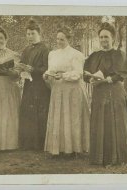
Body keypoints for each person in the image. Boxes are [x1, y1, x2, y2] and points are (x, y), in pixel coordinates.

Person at [83, 21, 127, 166]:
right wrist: (89, 77)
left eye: (107, 37)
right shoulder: (94, 56)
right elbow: (85, 74)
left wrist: (108, 78)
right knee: (100, 123)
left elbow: (121, 73)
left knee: (114, 123)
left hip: (114, 92)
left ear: (113, 39)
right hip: (98, 93)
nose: (104, 40)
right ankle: (99, 157)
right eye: (101, 37)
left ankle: (116, 157)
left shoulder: (119, 55)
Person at [43, 26, 90, 156]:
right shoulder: (52, 54)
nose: (59, 42)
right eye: (57, 39)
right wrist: (46, 75)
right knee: (59, 117)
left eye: (62, 39)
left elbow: (78, 74)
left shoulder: (76, 54)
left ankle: (73, 149)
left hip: (72, 90)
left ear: (68, 39)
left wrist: (63, 75)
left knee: (72, 117)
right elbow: (50, 69)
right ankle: (59, 149)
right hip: (58, 89)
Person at [19, 19, 51, 150]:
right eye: (28, 34)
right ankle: (28, 144)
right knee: (28, 112)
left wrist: (33, 70)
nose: (30, 36)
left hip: (40, 86)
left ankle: (40, 144)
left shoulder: (45, 49)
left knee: (40, 113)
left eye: (32, 33)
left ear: (39, 34)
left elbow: (47, 68)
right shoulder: (26, 49)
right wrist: (21, 69)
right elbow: (22, 64)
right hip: (28, 85)